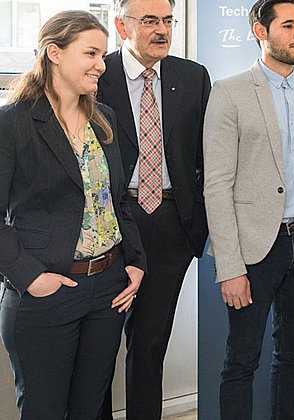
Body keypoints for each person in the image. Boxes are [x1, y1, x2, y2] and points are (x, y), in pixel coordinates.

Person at [0, 10, 146, 419]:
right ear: (54, 53)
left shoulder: (105, 121)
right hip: (47, 293)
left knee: (89, 410)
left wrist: (134, 262)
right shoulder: (12, 123)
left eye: (104, 55)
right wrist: (31, 278)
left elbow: (120, 200)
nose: (102, 65)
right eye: (92, 54)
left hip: (108, 291)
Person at [202, 0, 294, 418]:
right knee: (241, 360)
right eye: (288, 25)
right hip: (254, 250)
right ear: (260, 32)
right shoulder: (229, 92)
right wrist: (229, 266)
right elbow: (217, 185)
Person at [96, 0, 211, 417]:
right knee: (99, 346)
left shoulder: (192, 76)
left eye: (167, 20)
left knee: (149, 342)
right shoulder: (97, 73)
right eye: (149, 21)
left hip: (169, 223)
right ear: (121, 26)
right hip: (110, 222)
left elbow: (204, 156)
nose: (161, 30)